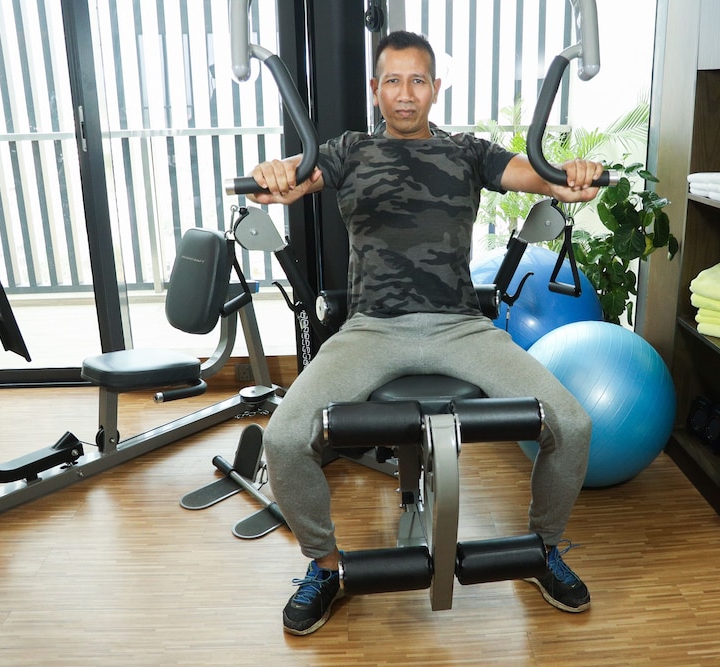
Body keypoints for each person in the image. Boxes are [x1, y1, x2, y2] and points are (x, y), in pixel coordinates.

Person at [247, 30, 603, 636]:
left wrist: (568, 175)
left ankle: (542, 550)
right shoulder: (348, 151)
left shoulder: (467, 152)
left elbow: (538, 177)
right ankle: (325, 566)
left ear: (436, 88)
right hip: (371, 329)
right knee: (282, 439)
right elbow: (291, 181)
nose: (406, 93)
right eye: (393, 81)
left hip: (461, 327)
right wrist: (276, 174)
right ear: (375, 89)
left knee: (572, 423)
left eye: (418, 80)